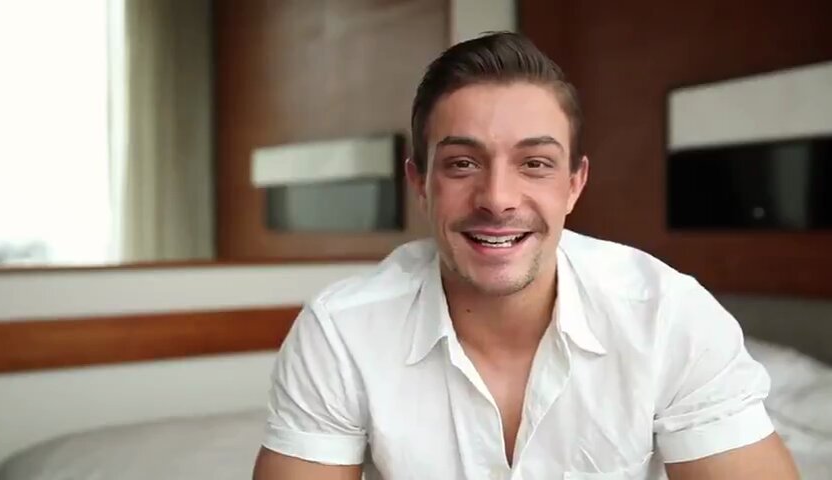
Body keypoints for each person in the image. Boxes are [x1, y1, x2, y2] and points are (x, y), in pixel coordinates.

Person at [253, 32, 799, 480]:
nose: (497, 199)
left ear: (574, 185)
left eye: (535, 163)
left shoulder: (667, 317)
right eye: (462, 164)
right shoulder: (341, 332)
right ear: (420, 184)